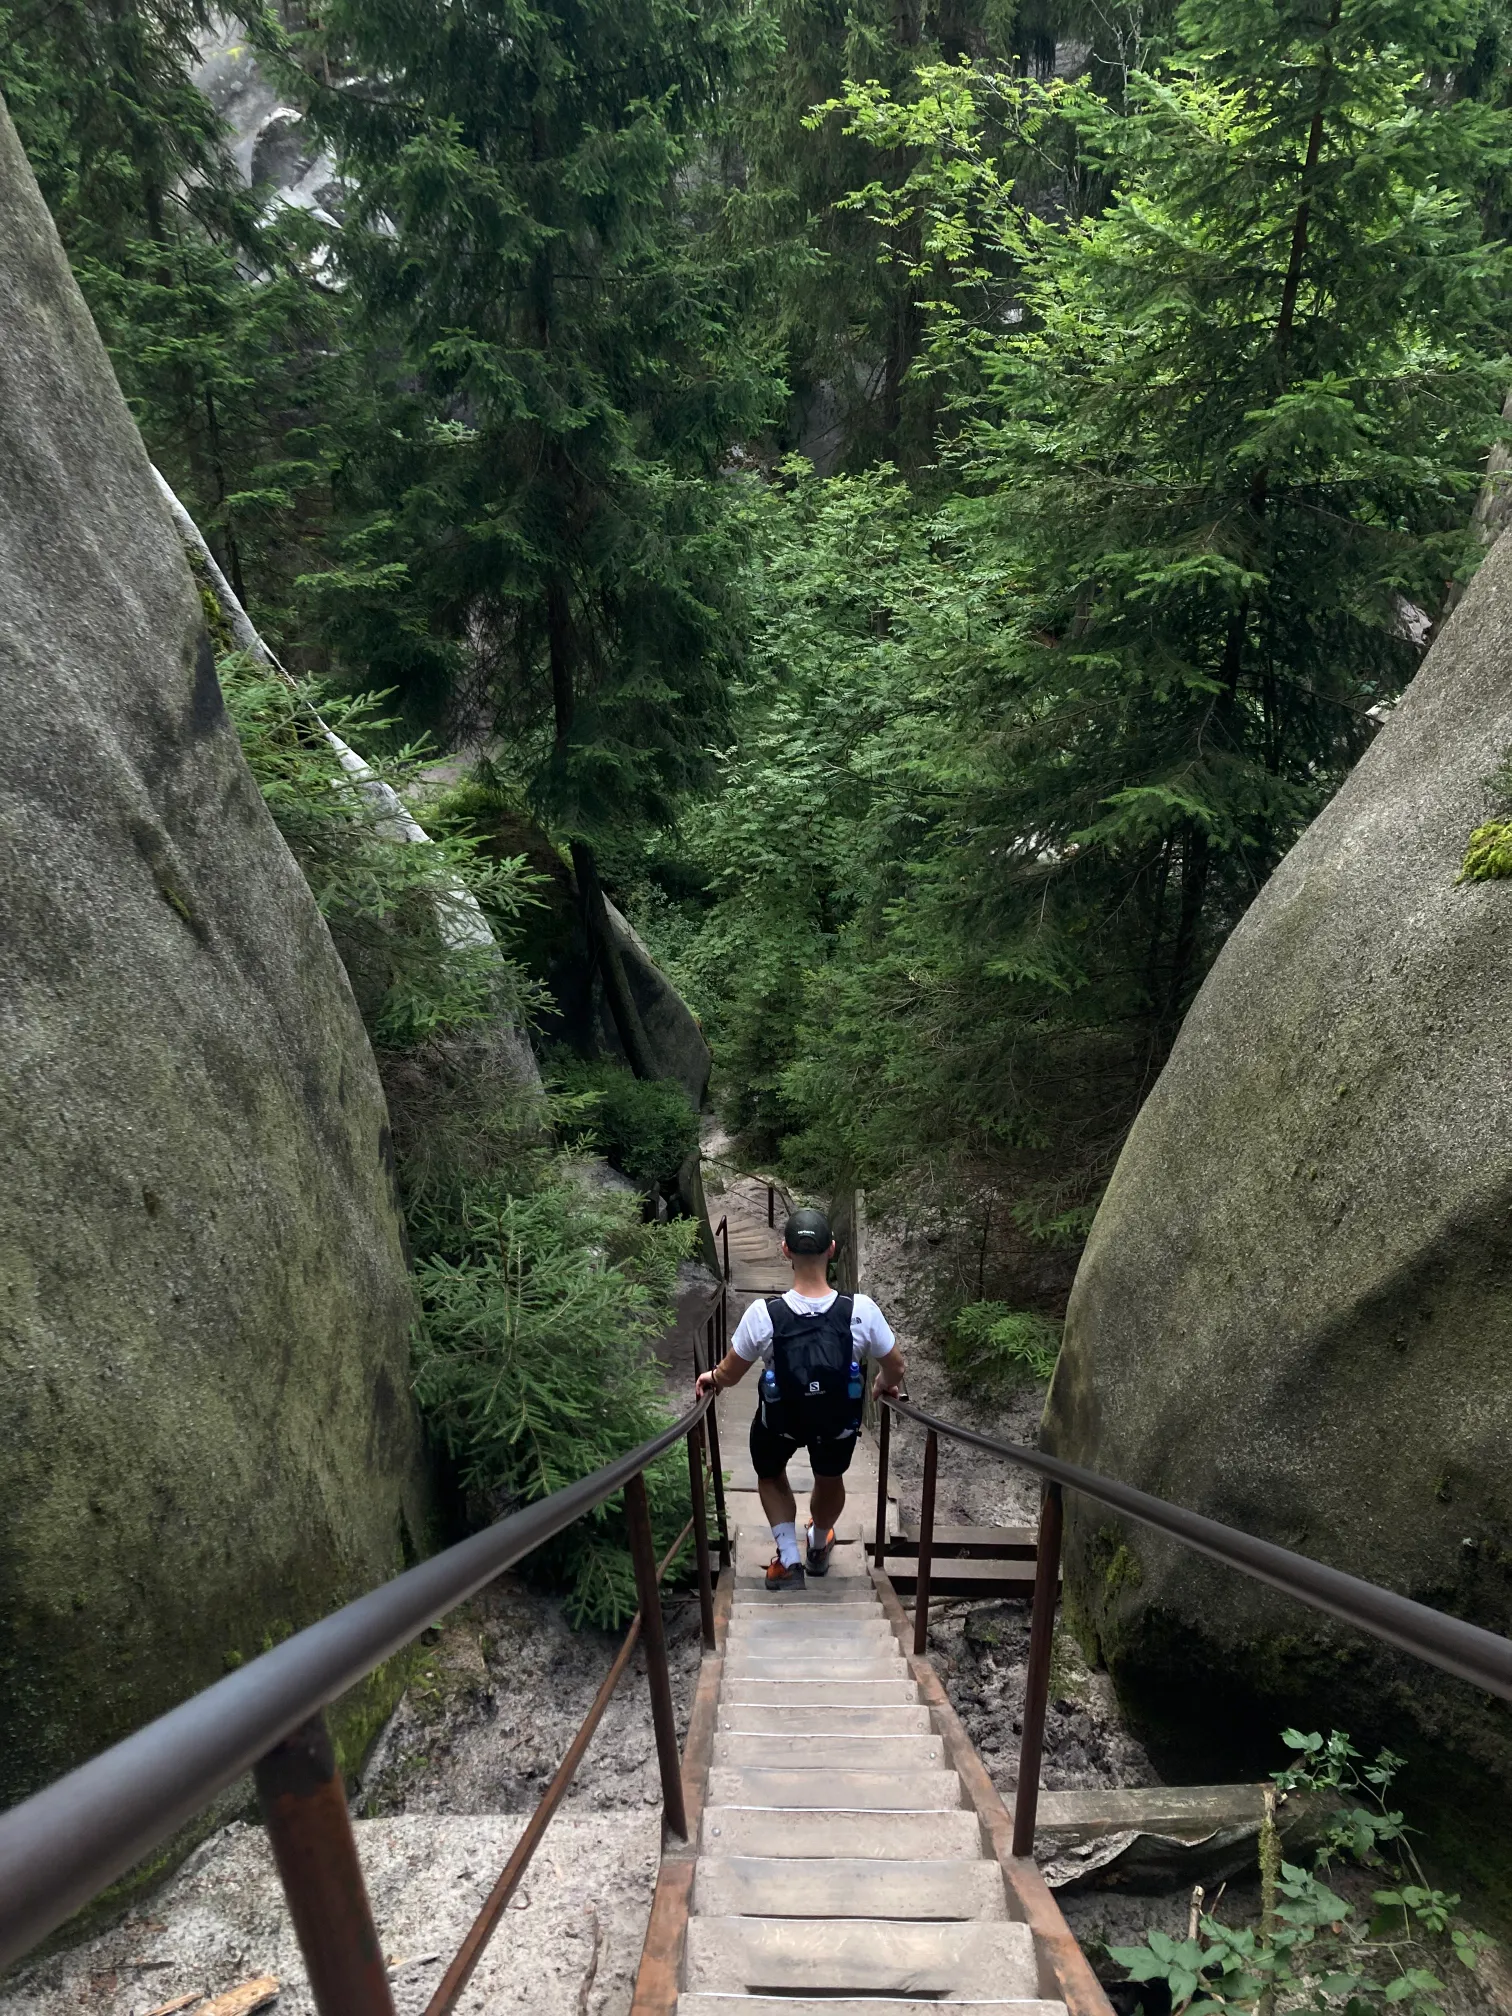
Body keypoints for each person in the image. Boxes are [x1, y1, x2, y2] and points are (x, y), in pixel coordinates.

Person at [694, 1206, 906, 1590]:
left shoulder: (764, 1315)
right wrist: (883, 1383)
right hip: (836, 1423)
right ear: (832, 1249)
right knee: (829, 1477)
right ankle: (819, 1542)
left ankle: (789, 1560)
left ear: (785, 1251)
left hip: (781, 1422)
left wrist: (713, 1378)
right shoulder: (861, 1311)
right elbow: (895, 1365)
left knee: (770, 1475)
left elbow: (731, 1372)